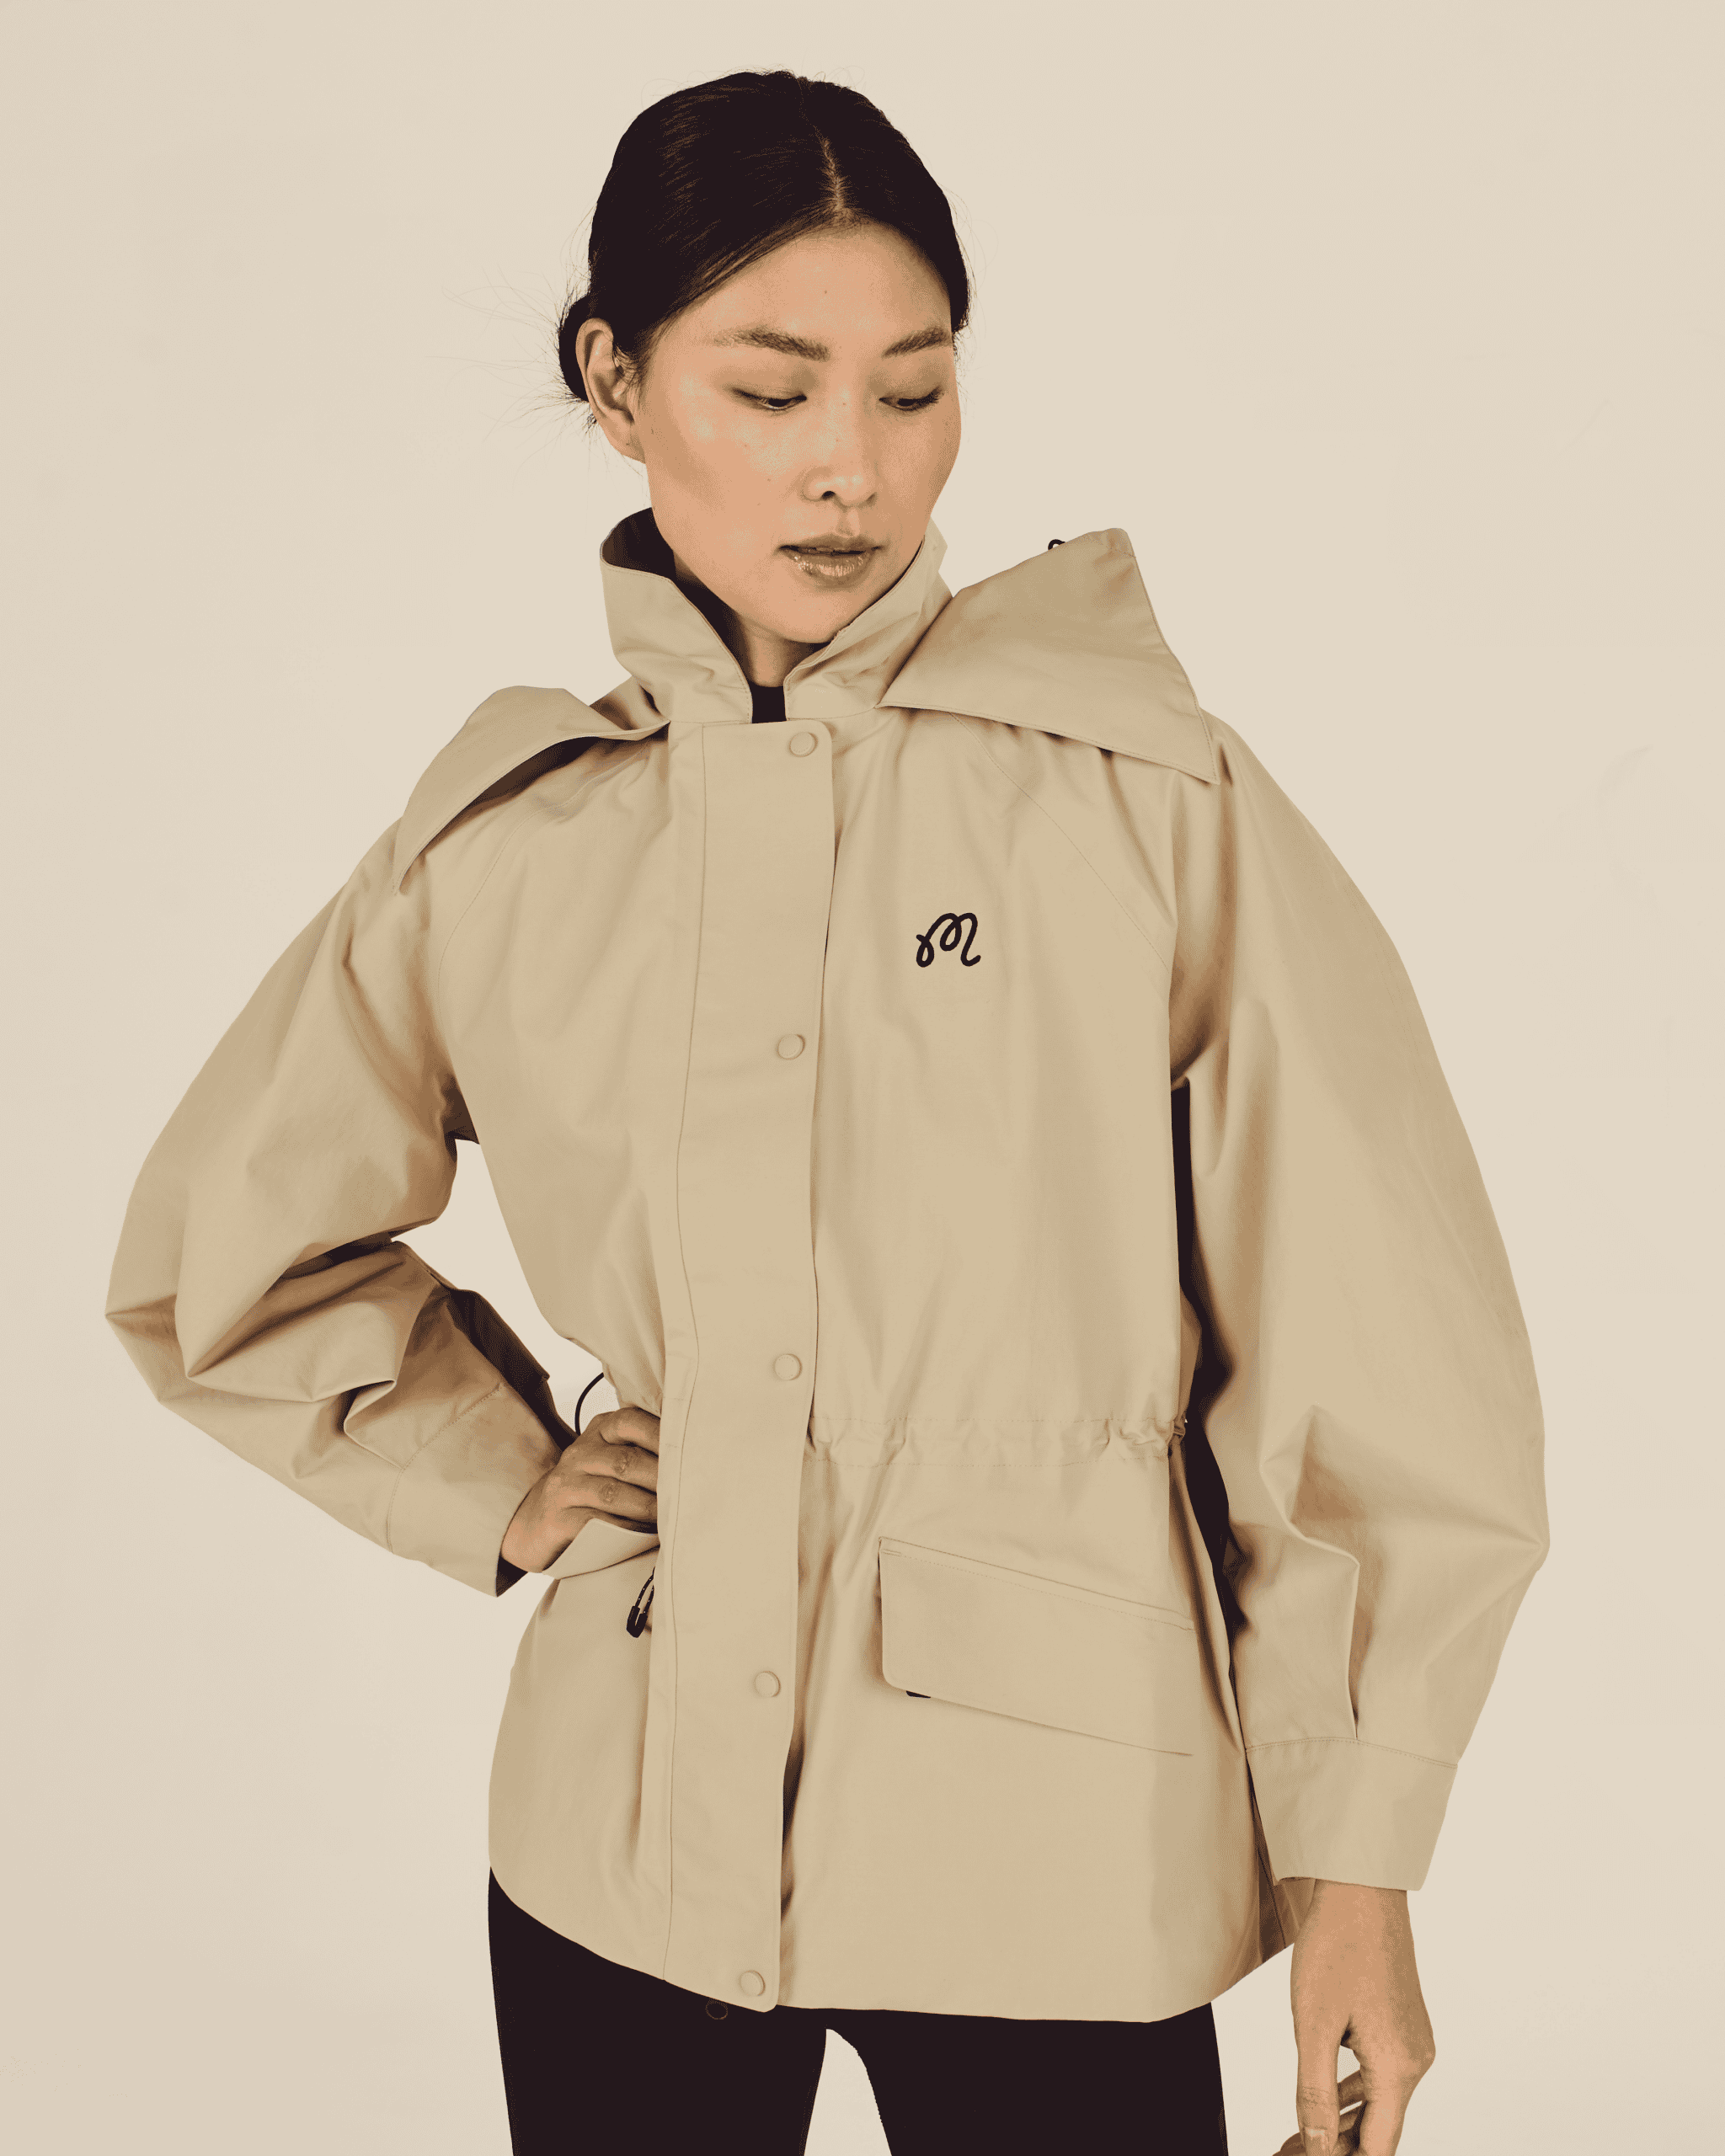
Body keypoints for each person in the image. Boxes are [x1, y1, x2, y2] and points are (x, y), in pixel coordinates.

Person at [104, 67, 1550, 2156]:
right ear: (614, 382)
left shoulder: (1142, 800)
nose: (848, 466)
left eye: (912, 388)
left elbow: (1370, 1359)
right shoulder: (505, 841)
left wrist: (1358, 1865)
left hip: (1062, 1844)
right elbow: (223, 1252)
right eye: (769, 389)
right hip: (616, 1846)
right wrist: (504, 1471)